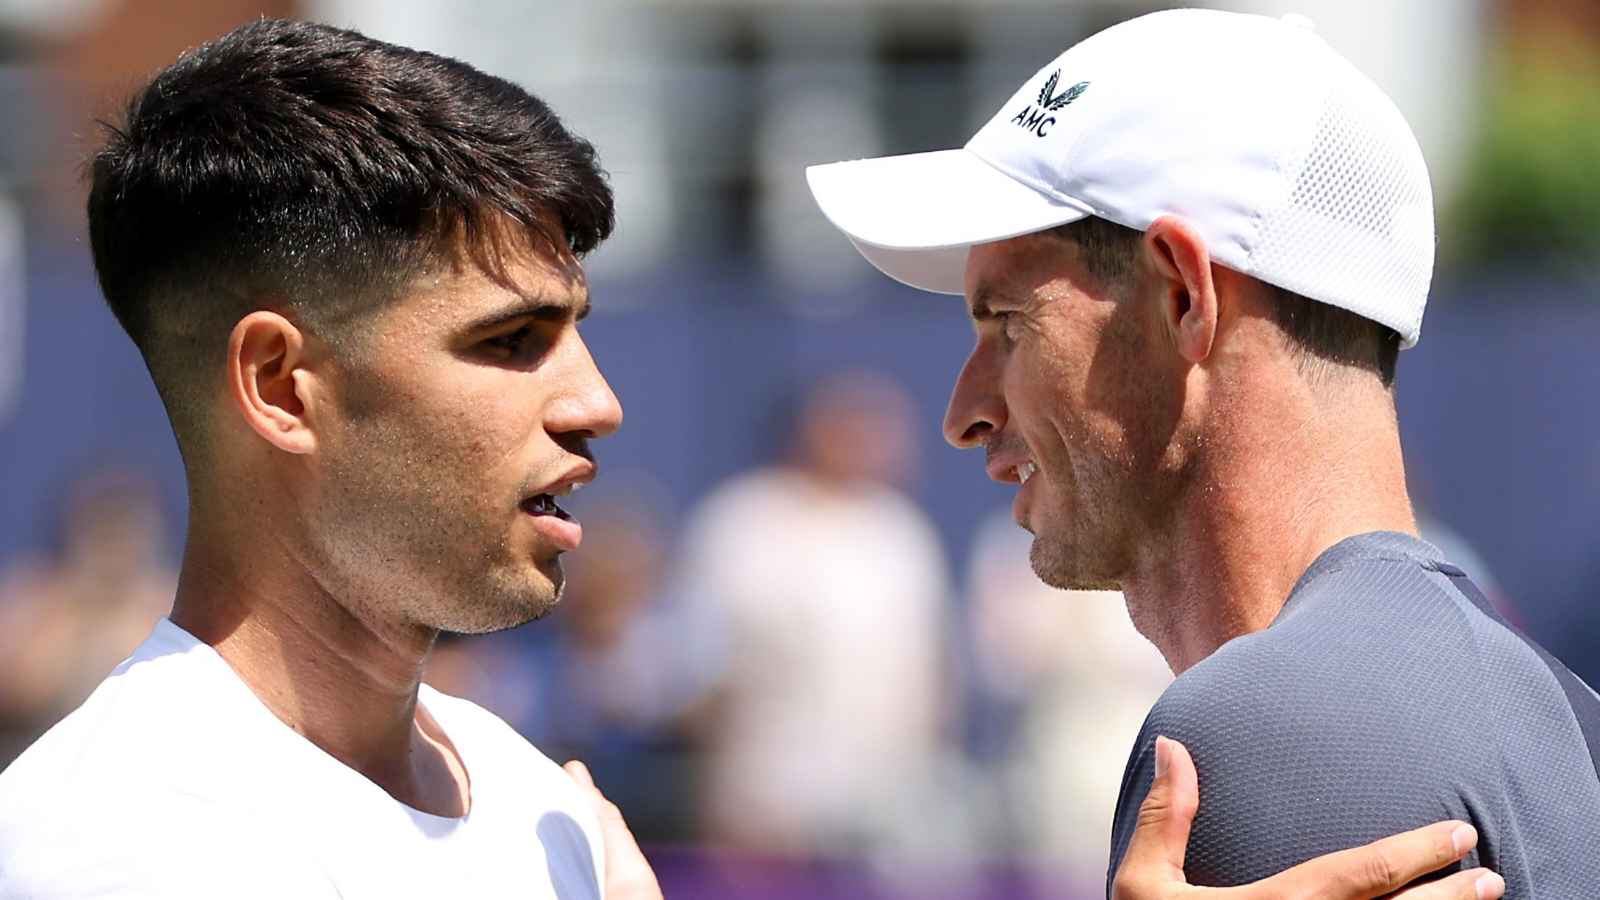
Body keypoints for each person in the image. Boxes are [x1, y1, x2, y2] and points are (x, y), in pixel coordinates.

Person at [0, 14, 1495, 900]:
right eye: (511, 342)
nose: (599, 403)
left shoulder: (552, 815)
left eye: (578, 332)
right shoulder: (100, 848)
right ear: (280, 384)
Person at [804, 7, 1584, 899]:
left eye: (1009, 322)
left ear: (1183, 297)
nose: (965, 413)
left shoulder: (1264, 730)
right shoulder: (1565, 718)